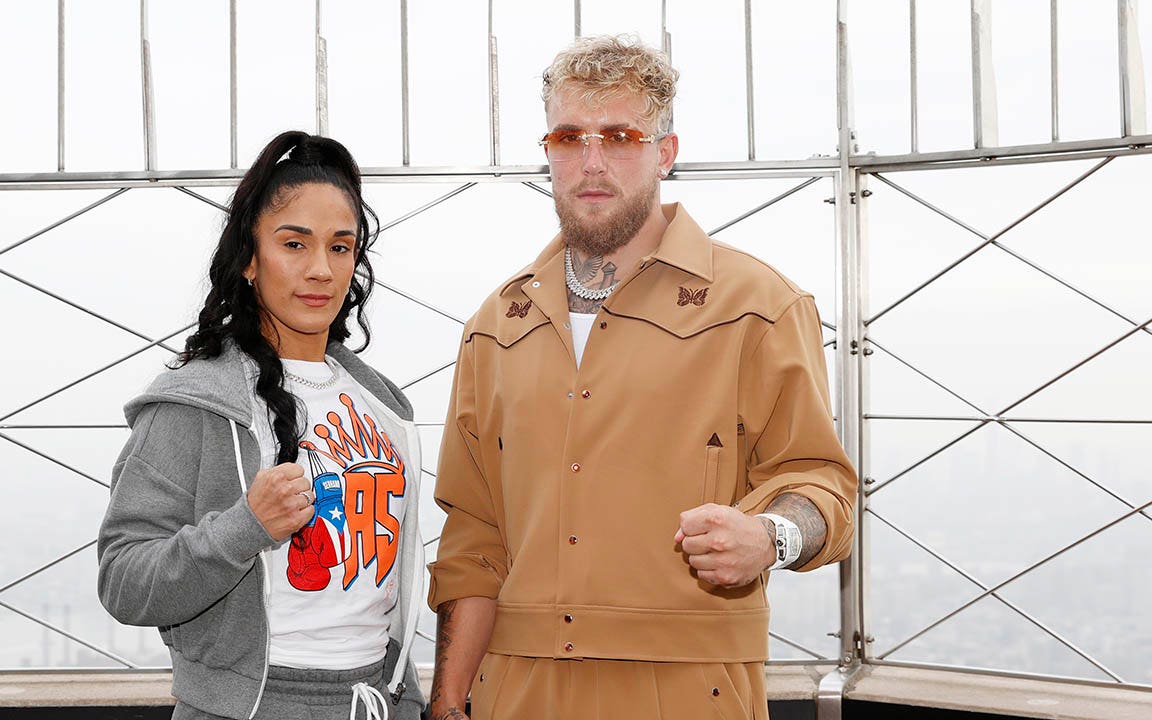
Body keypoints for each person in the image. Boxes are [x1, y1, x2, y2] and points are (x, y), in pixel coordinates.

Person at [426, 36, 857, 719]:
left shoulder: (759, 307)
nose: (592, 161)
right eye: (569, 137)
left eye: (621, 137)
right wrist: (447, 701)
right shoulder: (496, 325)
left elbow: (824, 486)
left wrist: (769, 537)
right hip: (517, 690)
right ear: (548, 151)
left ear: (665, 152)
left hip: (688, 689)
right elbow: (472, 538)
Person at [97, 131, 426, 720]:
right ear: (249, 258)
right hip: (245, 707)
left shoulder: (384, 405)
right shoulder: (198, 401)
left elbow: (383, 603)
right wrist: (244, 528)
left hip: (372, 702)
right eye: (294, 244)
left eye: (341, 247)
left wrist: (407, 701)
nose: (321, 269)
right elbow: (124, 582)